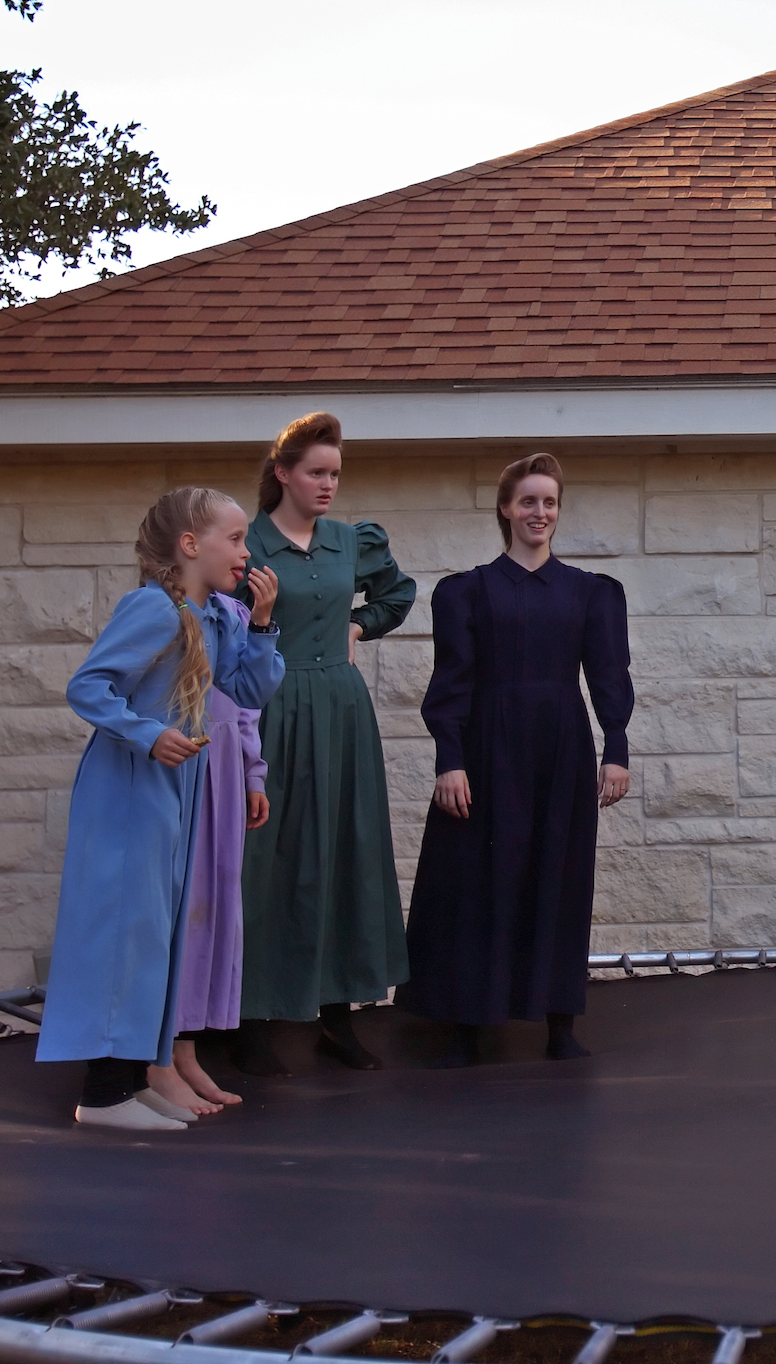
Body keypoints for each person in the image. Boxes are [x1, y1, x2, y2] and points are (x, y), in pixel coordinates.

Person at [38, 488, 283, 1130]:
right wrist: (148, 733)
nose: (245, 551)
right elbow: (88, 685)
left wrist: (261, 622)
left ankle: (130, 1082)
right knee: (124, 928)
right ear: (190, 545)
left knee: (152, 932)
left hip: (173, 792)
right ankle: (104, 1094)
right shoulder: (152, 609)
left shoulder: (219, 617)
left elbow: (250, 688)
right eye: (233, 539)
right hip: (127, 788)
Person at [398, 454, 633, 1066]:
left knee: (559, 877)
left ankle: (560, 1025)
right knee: (476, 881)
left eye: (550, 502)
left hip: (561, 749)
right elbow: (450, 682)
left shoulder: (590, 593)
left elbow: (609, 676)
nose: (540, 512)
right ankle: (466, 1025)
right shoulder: (466, 592)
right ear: (505, 508)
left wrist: (617, 751)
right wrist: (450, 759)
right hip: (485, 746)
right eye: (528, 501)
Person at [235, 412, 418, 1075]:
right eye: (316, 471)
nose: (328, 484)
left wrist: (360, 627)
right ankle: (250, 1015)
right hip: (269, 711)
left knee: (346, 849)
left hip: (341, 709)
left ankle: (337, 1016)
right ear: (282, 472)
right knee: (266, 858)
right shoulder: (247, 542)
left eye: (335, 473)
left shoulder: (350, 541)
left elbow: (398, 593)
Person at [168, 684, 267, 1110]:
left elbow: (247, 701)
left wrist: (252, 771)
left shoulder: (235, 618)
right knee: (176, 908)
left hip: (223, 763)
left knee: (209, 911)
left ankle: (184, 1054)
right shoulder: (171, 614)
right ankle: (155, 1059)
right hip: (176, 760)